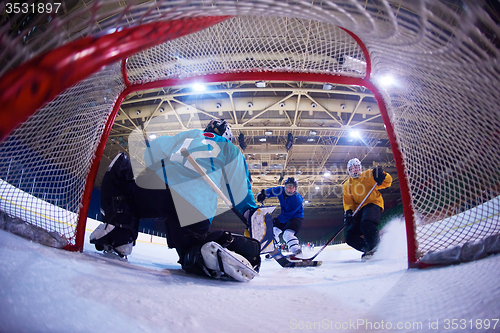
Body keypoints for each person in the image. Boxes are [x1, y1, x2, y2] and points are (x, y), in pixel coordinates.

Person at [90, 119, 261, 282]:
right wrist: (250, 213)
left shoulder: (190, 135)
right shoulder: (231, 150)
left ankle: (120, 234)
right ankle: (203, 253)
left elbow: (153, 151)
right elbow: (239, 190)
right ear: (228, 137)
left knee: (123, 177)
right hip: (198, 207)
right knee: (190, 249)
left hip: (161, 187)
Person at [342, 158, 392, 260]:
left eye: (356, 168)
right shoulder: (347, 185)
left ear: (360, 168)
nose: (355, 170)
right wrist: (348, 212)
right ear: (349, 171)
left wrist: (382, 175)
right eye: (352, 169)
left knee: (366, 224)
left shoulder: (369, 175)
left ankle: (377, 246)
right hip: (360, 209)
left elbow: (388, 182)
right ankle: (369, 249)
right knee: (350, 237)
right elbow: (348, 202)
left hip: (373, 203)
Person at [256, 177, 304, 255]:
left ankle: (297, 251)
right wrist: (263, 193)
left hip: (296, 218)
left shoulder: (297, 200)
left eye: (293, 187)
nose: (290, 189)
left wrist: (275, 220)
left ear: (295, 188)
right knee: (273, 231)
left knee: (287, 234)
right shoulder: (280, 190)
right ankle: (274, 249)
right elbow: (272, 191)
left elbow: (287, 215)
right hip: (284, 216)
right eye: (288, 186)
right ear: (285, 187)